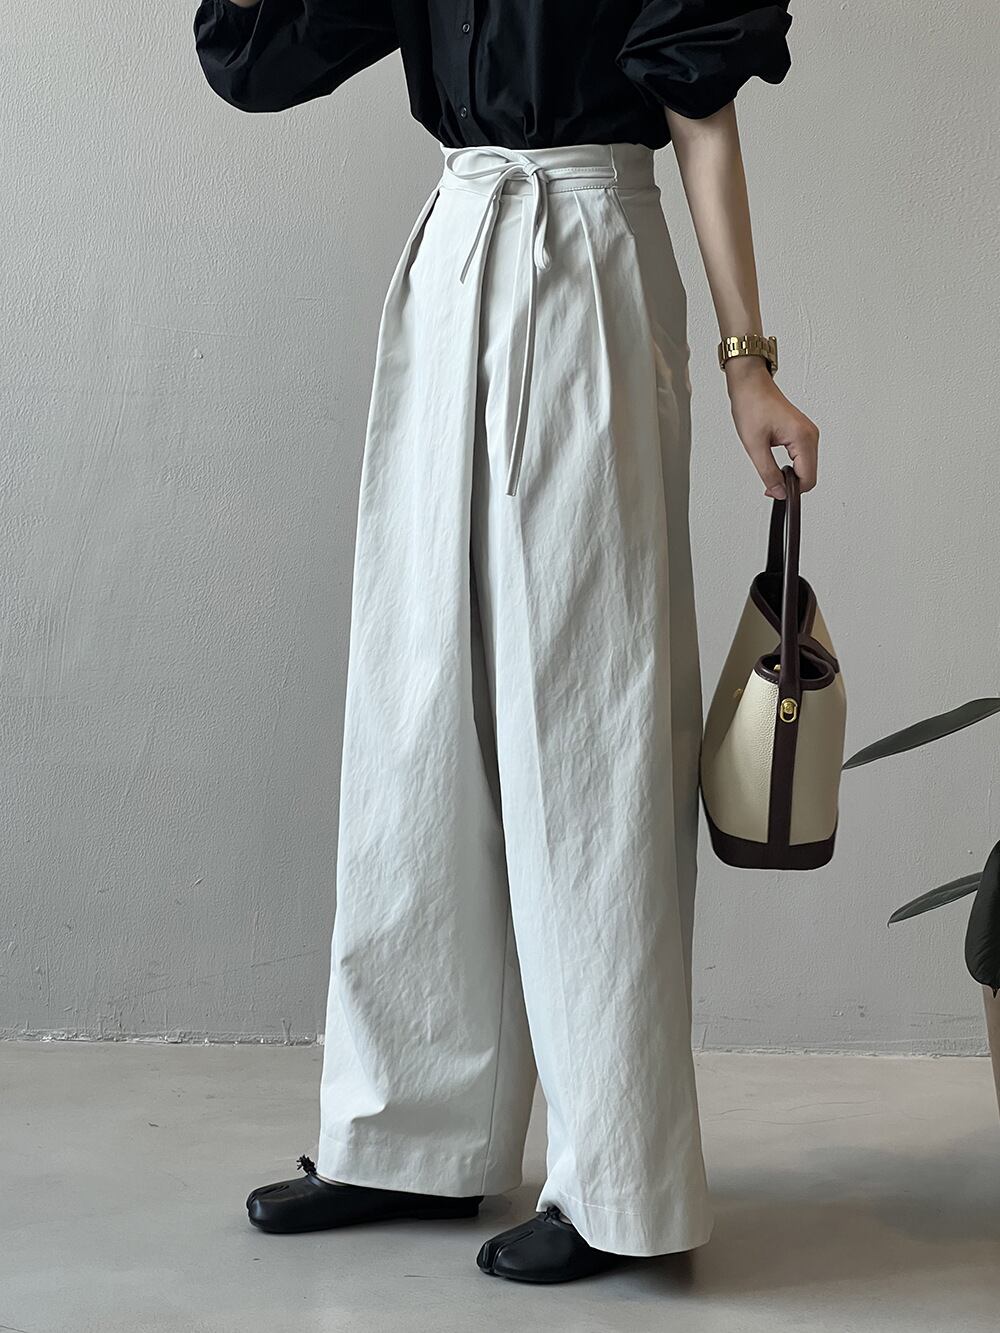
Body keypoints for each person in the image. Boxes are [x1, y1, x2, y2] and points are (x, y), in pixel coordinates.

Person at [193, 0, 819, 1286]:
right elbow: (259, 59)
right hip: (456, 244)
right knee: (414, 702)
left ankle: (620, 1179)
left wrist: (746, 358)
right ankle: (407, 1136)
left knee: (591, 715)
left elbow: (699, 109)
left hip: (590, 249)